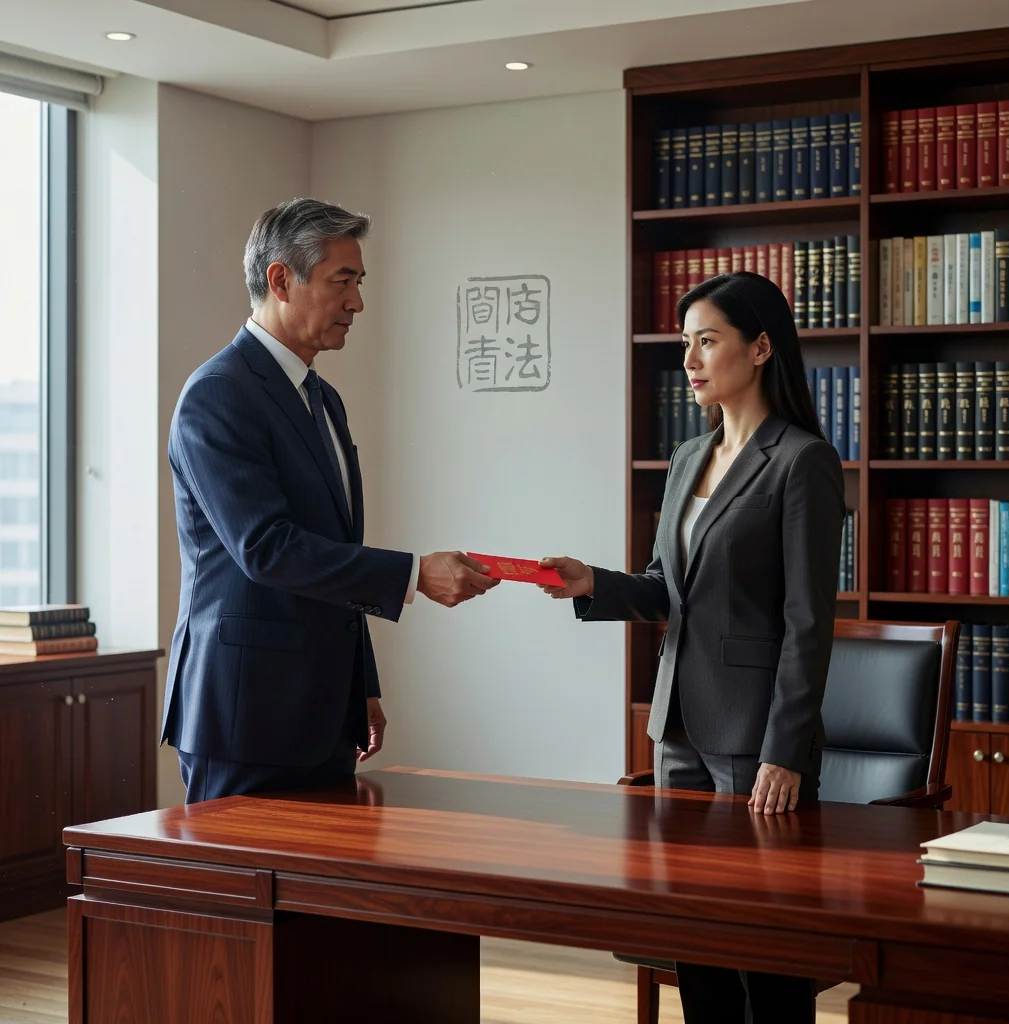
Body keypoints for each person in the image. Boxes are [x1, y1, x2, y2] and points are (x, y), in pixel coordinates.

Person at [540, 271, 844, 1024]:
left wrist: (785, 749)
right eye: (686, 343)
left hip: (755, 743)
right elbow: (664, 589)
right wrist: (592, 585)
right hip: (677, 733)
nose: (691, 359)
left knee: (767, 958)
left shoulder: (801, 461)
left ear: (761, 347)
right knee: (696, 947)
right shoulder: (686, 460)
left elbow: (809, 621)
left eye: (707, 340)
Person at [161, 198, 498, 805]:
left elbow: (338, 554)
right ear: (280, 279)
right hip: (247, 715)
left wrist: (360, 684)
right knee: (246, 898)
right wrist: (417, 573)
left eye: (359, 282)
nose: (357, 303)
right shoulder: (217, 395)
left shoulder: (324, 398)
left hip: (325, 712)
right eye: (342, 282)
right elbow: (266, 550)